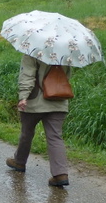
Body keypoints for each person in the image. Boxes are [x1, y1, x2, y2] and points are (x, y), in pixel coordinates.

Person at [6, 55, 72, 187]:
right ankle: (60, 174)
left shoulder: (33, 51)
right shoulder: (67, 51)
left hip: (35, 101)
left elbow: (27, 75)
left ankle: (19, 162)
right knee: (55, 137)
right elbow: (67, 76)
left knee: (27, 133)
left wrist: (23, 96)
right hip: (59, 100)